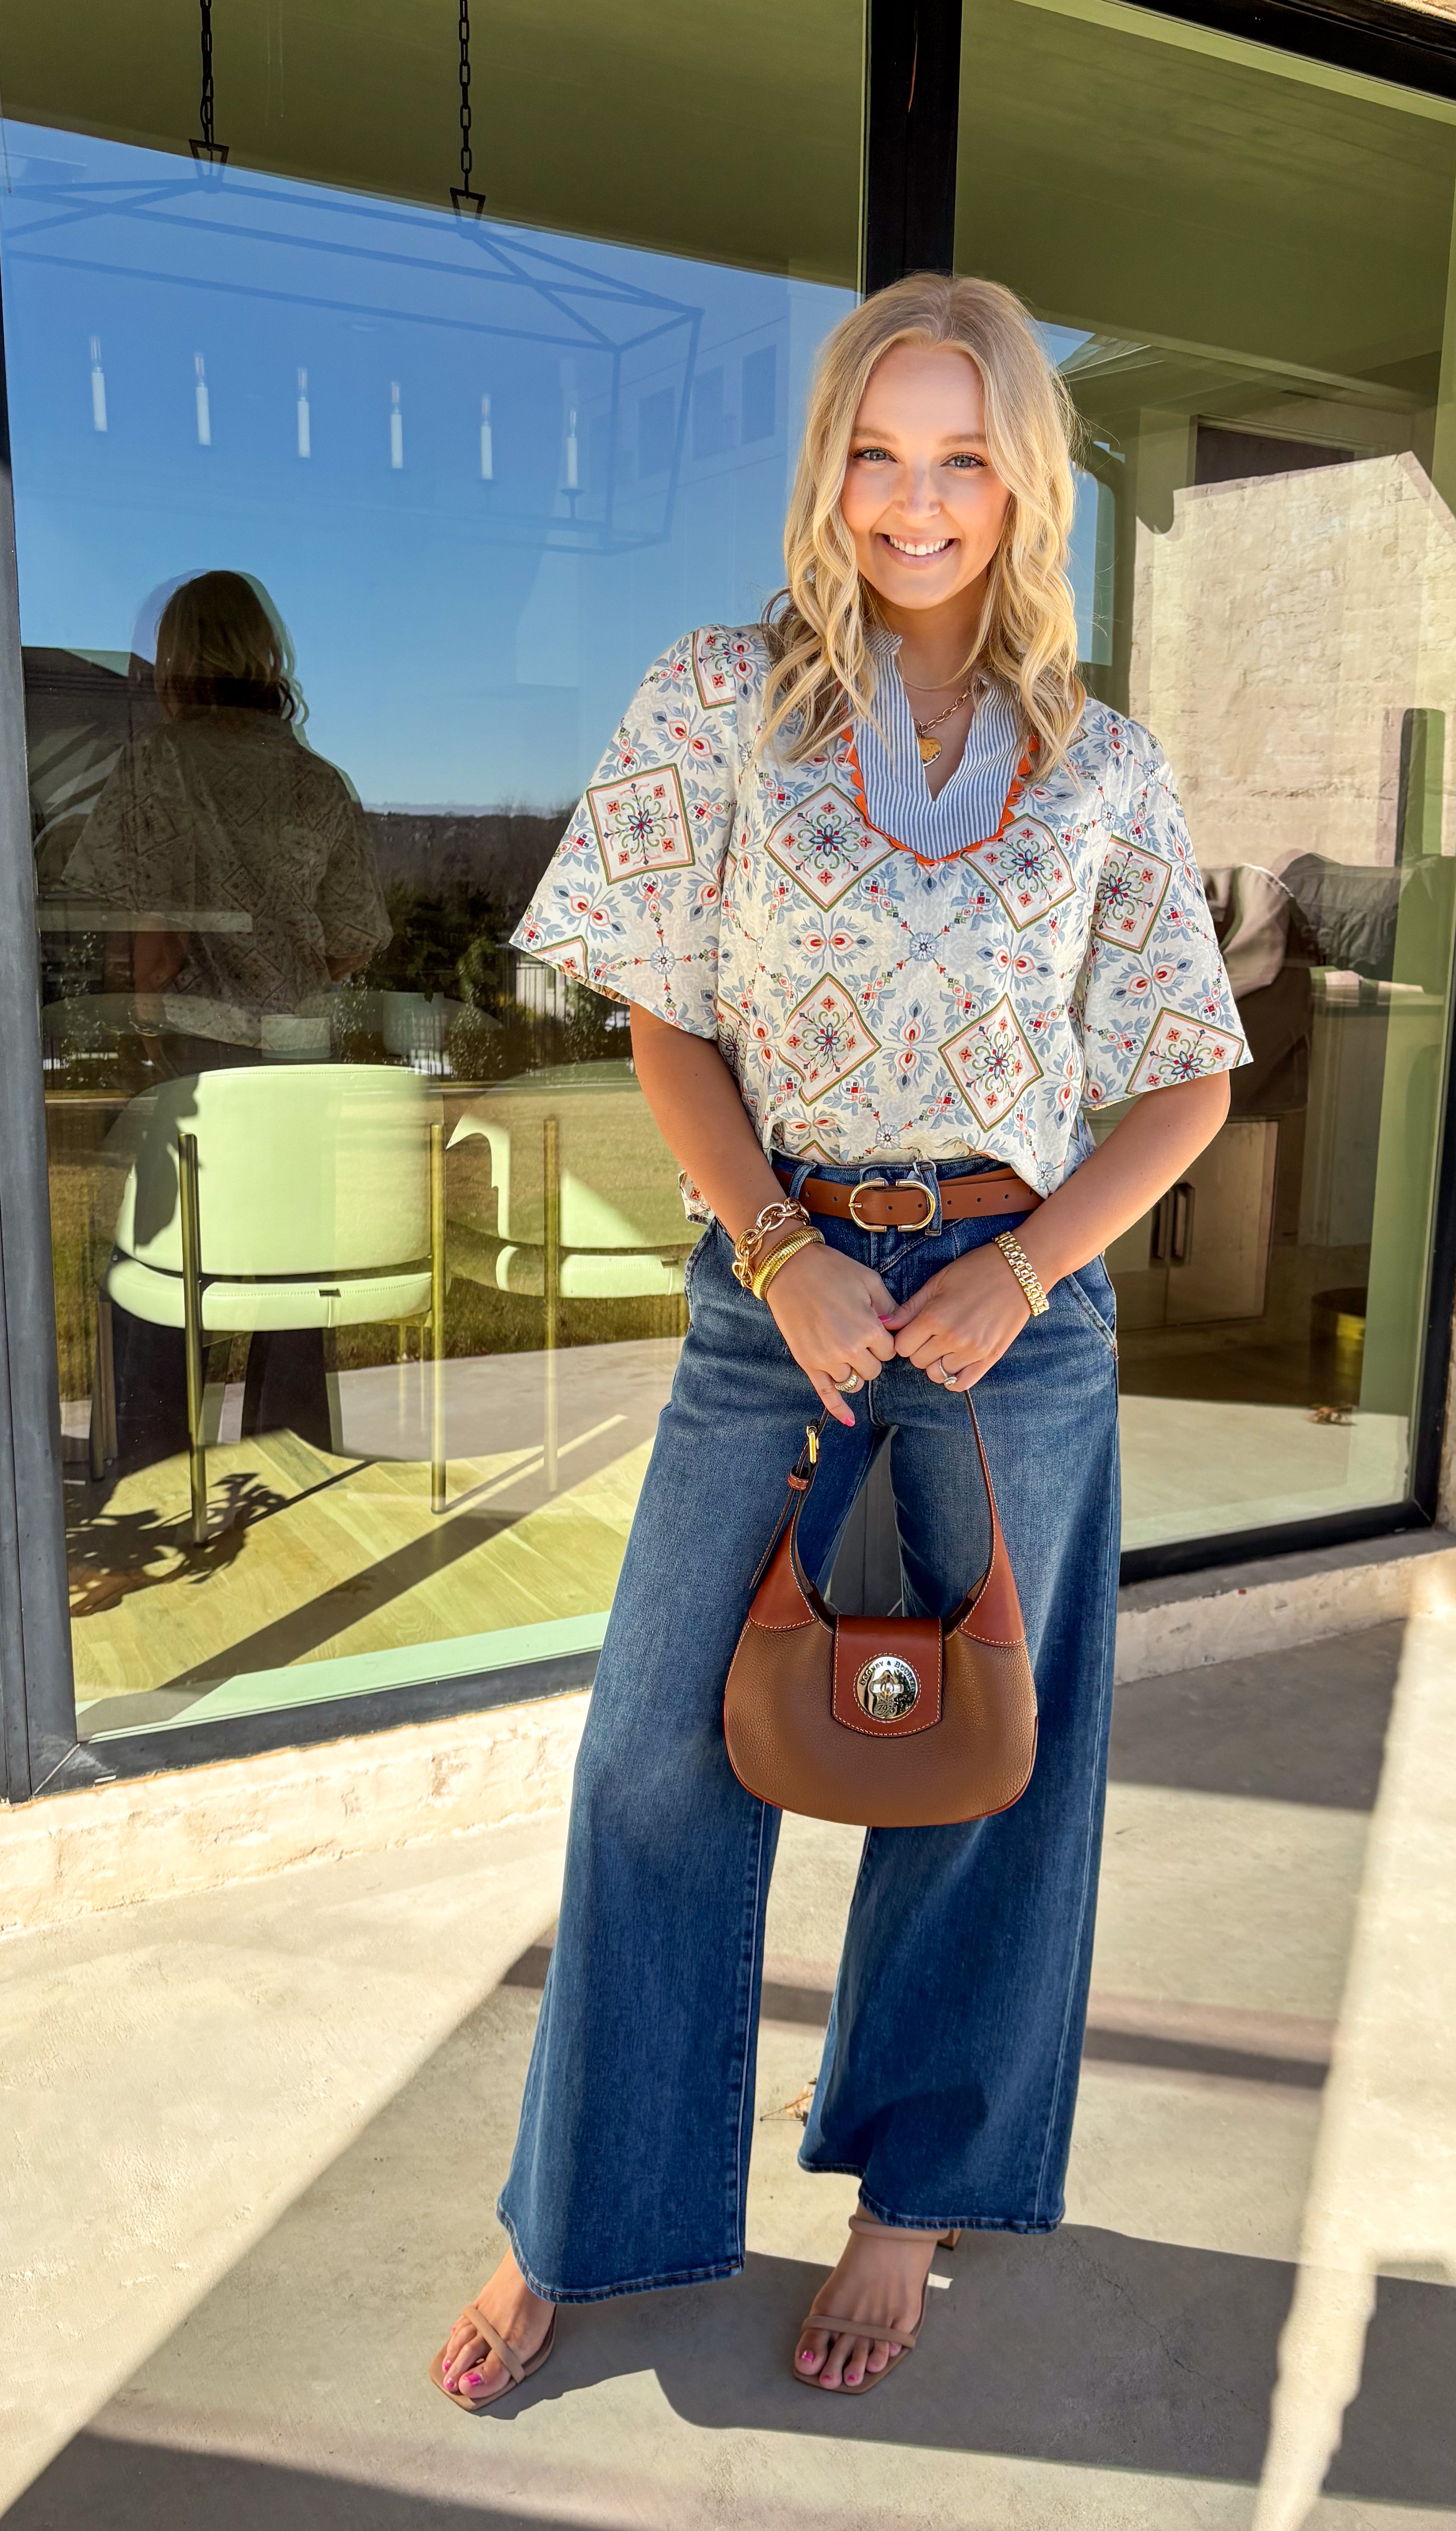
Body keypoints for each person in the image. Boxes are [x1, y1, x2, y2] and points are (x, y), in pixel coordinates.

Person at [434, 274, 1247, 2408]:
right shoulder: (718, 701)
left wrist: (1023, 1265)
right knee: (650, 1768)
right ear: (828, 470)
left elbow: (1180, 1082)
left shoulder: (1102, 766)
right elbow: (662, 1015)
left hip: (1013, 1323)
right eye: (875, 454)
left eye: (959, 455)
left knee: (987, 1776)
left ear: (1019, 482)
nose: (912, 501)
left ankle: (908, 2205)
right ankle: (583, 2220)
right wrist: (781, 1242)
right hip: (770, 1307)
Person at [63, 570, 389, 1465]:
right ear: (264, 655)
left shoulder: (159, 764)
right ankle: (287, 1476)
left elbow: (148, 939)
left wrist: (132, 985)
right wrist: (280, 962)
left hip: (195, 1063)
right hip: (300, 1066)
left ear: (177, 658)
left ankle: (155, 1481)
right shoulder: (317, 781)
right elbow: (358, 935)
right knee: (292, 1293)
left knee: (161, 1282)